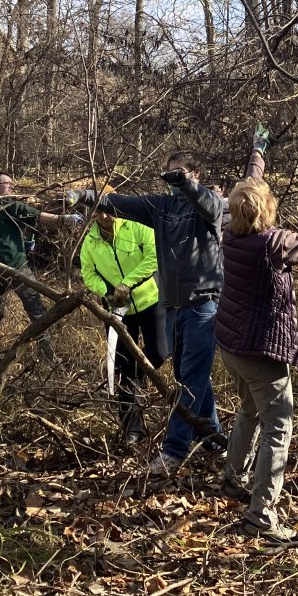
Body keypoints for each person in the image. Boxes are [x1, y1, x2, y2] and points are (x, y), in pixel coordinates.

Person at [215, 125, 298, 541]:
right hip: (262, 351)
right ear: (266, 213)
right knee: (278, 428)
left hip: (233, 346)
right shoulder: (274, 244)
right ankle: (261, 514)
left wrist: (258, 151)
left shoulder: (230, 234)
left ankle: (233, 477)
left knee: (250, 411)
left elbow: (252, 184)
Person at [74, 151, 225, 476]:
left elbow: (210, 204)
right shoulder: (162, 207)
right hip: (174, 307)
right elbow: (123, 203)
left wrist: (187, 185)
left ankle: (173, 451)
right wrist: (85, 196)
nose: (173, 180)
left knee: (191, 379)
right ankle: (214, 439)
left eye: (181, 173)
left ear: (196, 173)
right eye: (170, 174)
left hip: (203, 306)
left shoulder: (209, 206)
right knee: (189, 376)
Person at [79, 205, 163, 443]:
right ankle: (132, 430)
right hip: (117, 310)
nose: (104, 217)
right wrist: (107, 292)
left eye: (108, 211)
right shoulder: (90, 242)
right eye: (98, 212)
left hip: (150, 301)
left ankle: (138, 375)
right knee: (124, 368)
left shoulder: (137, 227)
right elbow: (88, 273)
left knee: (159, 352)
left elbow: (154, 255)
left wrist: (127, 284)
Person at [0, 170, 70, 348]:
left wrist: (20, 242)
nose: (11, 187)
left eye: (12, 183)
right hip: (14, 266)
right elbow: (36, 215)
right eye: (7, 183)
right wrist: (64, 219)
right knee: (37, 310)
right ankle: (48, 356)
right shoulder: (4, 203)